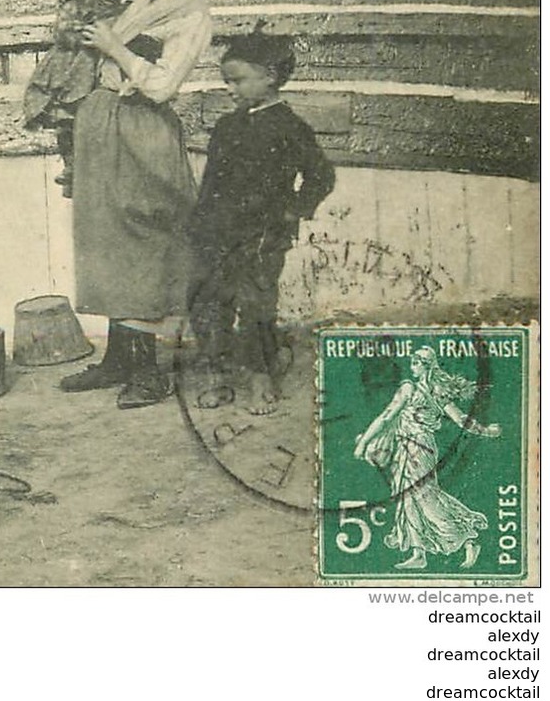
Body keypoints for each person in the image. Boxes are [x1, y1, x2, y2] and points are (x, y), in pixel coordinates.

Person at [59, 0, 216, 408]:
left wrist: (113, 48)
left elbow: (163, 86)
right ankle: (118, 359)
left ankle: (149, 371)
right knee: (104, 237)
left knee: (142, 239)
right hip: (104, 122)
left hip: (141, 128)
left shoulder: (192, 15)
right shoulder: (148, 1)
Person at [189, 31, 336, 414]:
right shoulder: (225, 128)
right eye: (226, 81)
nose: (230, 89)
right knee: (210, 301)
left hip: (264, 235)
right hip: (218, 233)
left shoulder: (290, 127)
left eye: (237, 80)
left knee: (255, 303)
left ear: (270, 76)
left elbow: (320, 176)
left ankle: (260, 377)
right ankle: (217, 376)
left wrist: (292, 210)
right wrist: (199, 223)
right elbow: (211, 183)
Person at [353, 346, 500, 570]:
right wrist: (486, 430)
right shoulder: (434, 391)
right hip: (408, 448)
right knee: (408, 498)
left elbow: (386, 417)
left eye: (415, 362)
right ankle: (418, 553)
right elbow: (461, 419)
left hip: (419, 449)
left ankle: (467, 538)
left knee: (424, 498)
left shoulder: (411, 389)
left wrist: (364, 442)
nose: (411, 366)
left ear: (425, 365)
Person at [23, 0, 138, 197]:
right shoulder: (75, 7)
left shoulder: (129, 11)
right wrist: (94, 33)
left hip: (102, 69)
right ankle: (71, 164)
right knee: (67, 120)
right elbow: (63, 32)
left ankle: (104, 167)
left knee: (101, 118)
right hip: (70, 69)